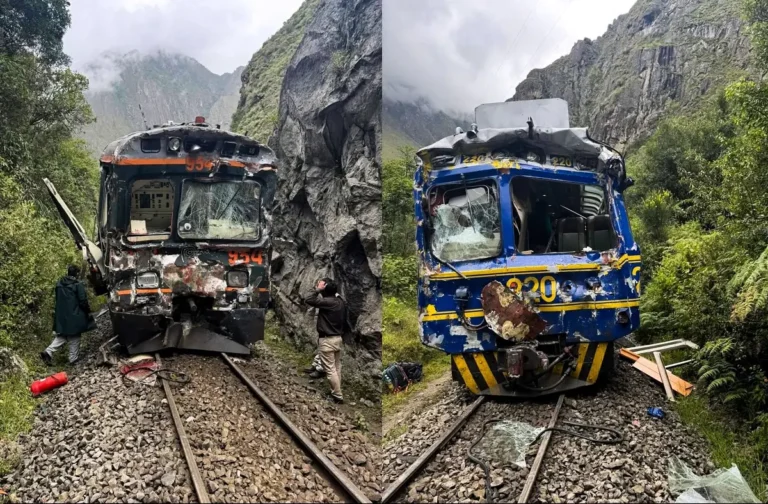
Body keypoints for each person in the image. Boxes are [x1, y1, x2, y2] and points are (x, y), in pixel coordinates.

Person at [303, 278, 346, 404]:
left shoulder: (328, 302)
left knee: (330, 370)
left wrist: (318, 289)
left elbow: (308, 299)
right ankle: (338, 391)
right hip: (338, 339)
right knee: (337, 368)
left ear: (325, 289)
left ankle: (337, 396)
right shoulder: (340, 301)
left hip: (327, 340)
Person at [40, 265, 91, 366]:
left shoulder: (59, 284)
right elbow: (82, 300)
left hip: (61, 315)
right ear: (76, 273)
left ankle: (48, 351)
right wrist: (87, 311)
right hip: (74, 314)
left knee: (63, 335)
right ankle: (73, 359)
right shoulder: (77, 284)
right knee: (75, 335)